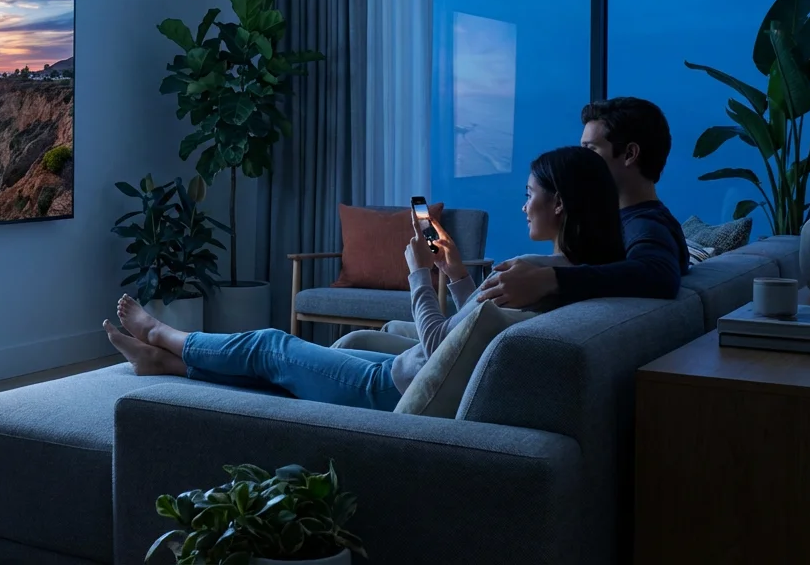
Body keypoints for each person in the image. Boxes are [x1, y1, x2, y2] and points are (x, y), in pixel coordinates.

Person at [100, 146, 626, 411]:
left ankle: (164, 335)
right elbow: (478, 333)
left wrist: (419, 275)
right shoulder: (578, 279)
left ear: (559, 203)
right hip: (405, 368)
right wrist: (458, 273)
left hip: (393, 387)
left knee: (270, 346)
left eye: (531, 192)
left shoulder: (536, 276)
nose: (523, 202)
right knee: (288, 364)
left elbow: (445, 343)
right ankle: (164, 362)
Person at [477, 97, 690, 308]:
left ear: (629, 154)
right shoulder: (631, 221)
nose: (580, 158)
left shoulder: (643, 224)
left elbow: (660, 275)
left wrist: (549, 279)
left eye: (590, 150)